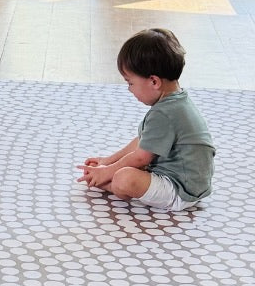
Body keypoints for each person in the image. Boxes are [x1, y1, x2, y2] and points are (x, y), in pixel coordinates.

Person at [77, 27, 215, 211]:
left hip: (180, 190)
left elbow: (141, 158)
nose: (129, 90)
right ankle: (108, 178)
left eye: (131, 83)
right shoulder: (176, 102)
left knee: (124, 178)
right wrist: (107, 161)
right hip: (191, 184)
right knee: (124, 170)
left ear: (154, 82)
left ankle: (110, 184)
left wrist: (108, 173)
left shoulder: (163, 114)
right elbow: (142, 143)